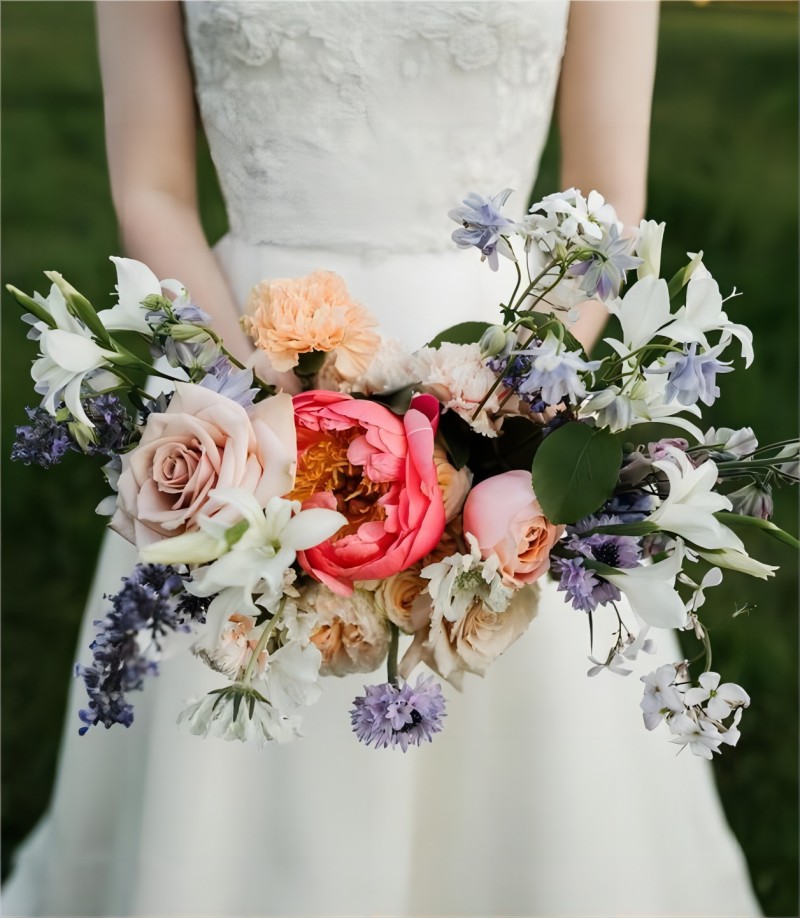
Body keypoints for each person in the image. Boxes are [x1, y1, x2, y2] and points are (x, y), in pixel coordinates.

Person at [3, 2, 762, 915]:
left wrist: (499, 418)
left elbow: (606, 198)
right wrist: (256, 419)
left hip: (498, 369)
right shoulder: (249, 397)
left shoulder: (502, 397)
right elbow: (153, 186)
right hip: (245, 348)